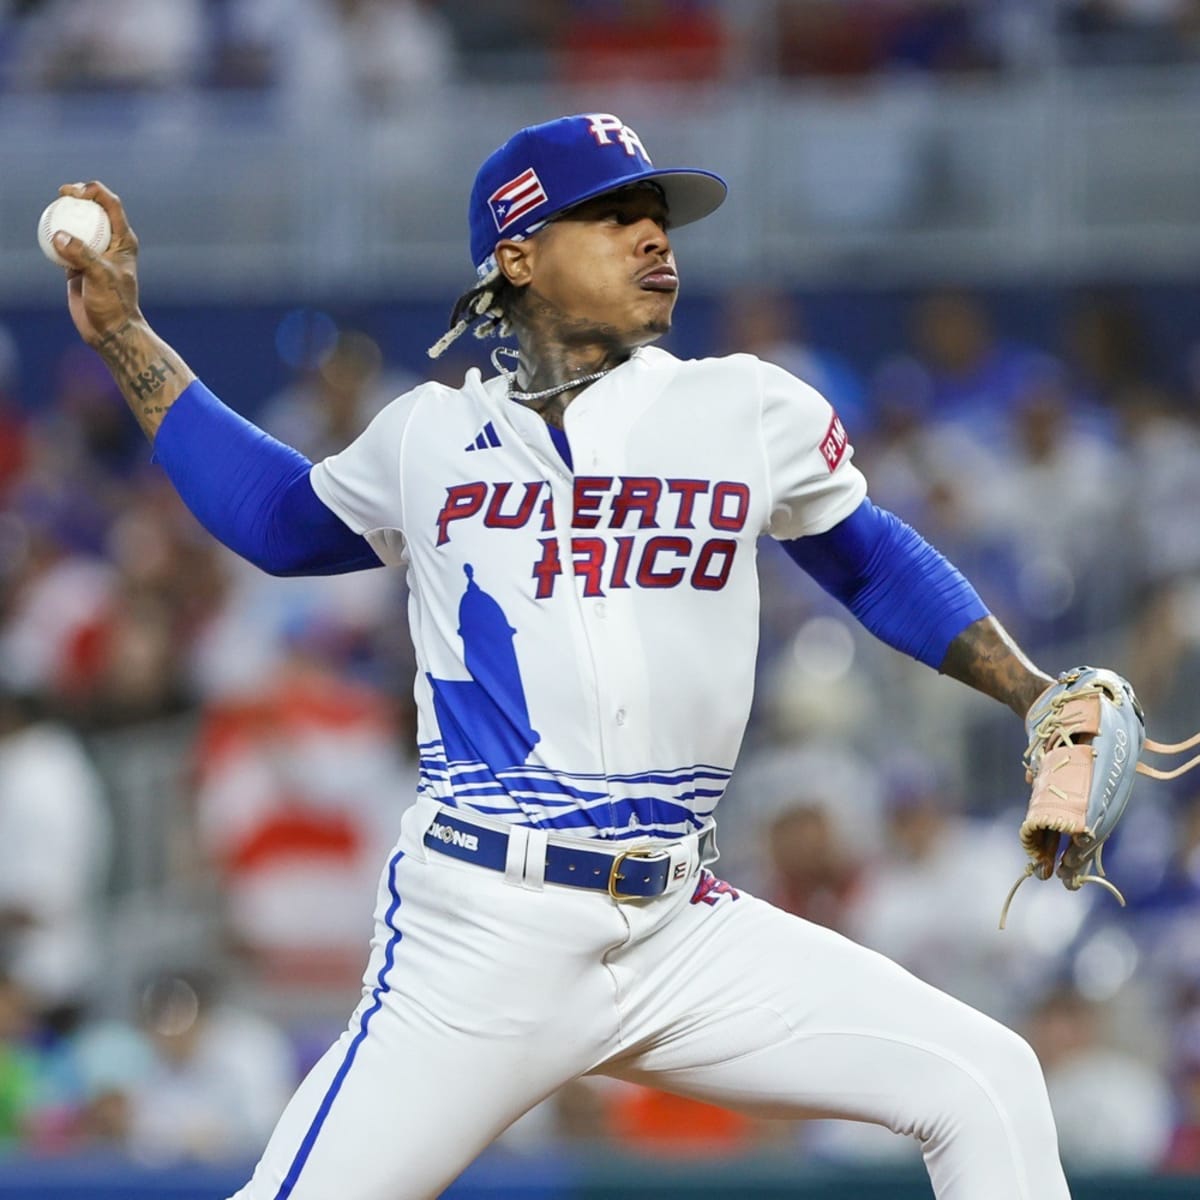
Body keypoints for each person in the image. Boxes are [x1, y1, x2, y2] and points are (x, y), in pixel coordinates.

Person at [51, 113, 1073, 1199]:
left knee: (986, 1081)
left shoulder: (741, 405)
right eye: (611, 215)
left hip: (676, 924)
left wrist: (1034, 692)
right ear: (518, 256)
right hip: (482, 932)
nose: (653, 238)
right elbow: (274, 518)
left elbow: (872, 564)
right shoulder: (427, 436)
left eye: (658, 217)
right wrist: (124, 332)